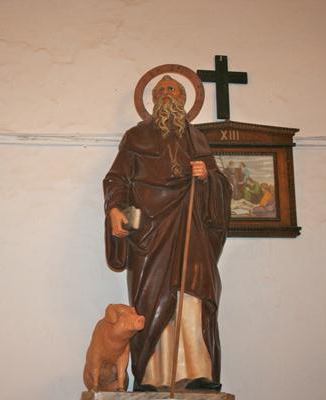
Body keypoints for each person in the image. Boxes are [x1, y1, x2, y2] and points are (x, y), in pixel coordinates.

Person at [103, 75, 232, 392]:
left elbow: (221, 186)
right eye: (160, 90)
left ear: (183, 98)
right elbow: (117, 178)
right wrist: (115, 209)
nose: (166, 94)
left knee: (193, 296)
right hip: (150, 231)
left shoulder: (197, 139)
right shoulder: (136, 136)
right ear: (153, 99)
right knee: (152, 300)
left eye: (172, 89)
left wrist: (207, 177)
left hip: (191, 229)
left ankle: (197, 371)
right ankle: (152, 375)